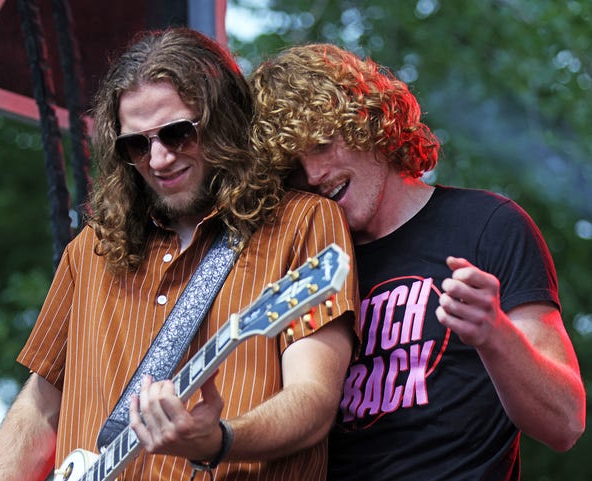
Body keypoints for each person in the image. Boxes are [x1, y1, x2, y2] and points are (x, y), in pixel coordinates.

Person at [0, 29, 358, 481]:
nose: (158, 159)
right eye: (136, 145)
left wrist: (220, 441)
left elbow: (314, 399)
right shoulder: (92, 249)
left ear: (224, 120)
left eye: (178, 134)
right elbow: (40, 407)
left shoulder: (301, 223)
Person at [249, 43, 586, 480]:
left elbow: (565, 423)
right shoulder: (298, 267)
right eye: (293, 168)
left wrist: (494, 335)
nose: (313, 176)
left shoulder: (488, 225)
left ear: (367, 121)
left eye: (321, 143)